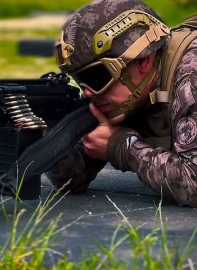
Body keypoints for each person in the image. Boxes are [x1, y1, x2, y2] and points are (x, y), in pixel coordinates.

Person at [47, 0, 197, 207]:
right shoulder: (128, 93)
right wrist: (48, 135)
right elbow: (72, 179)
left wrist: (124, 148)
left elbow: (194, 183)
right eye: (80, 81)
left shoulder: (191, 72)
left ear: (143, 61)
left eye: (97, 77)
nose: (89, 92)